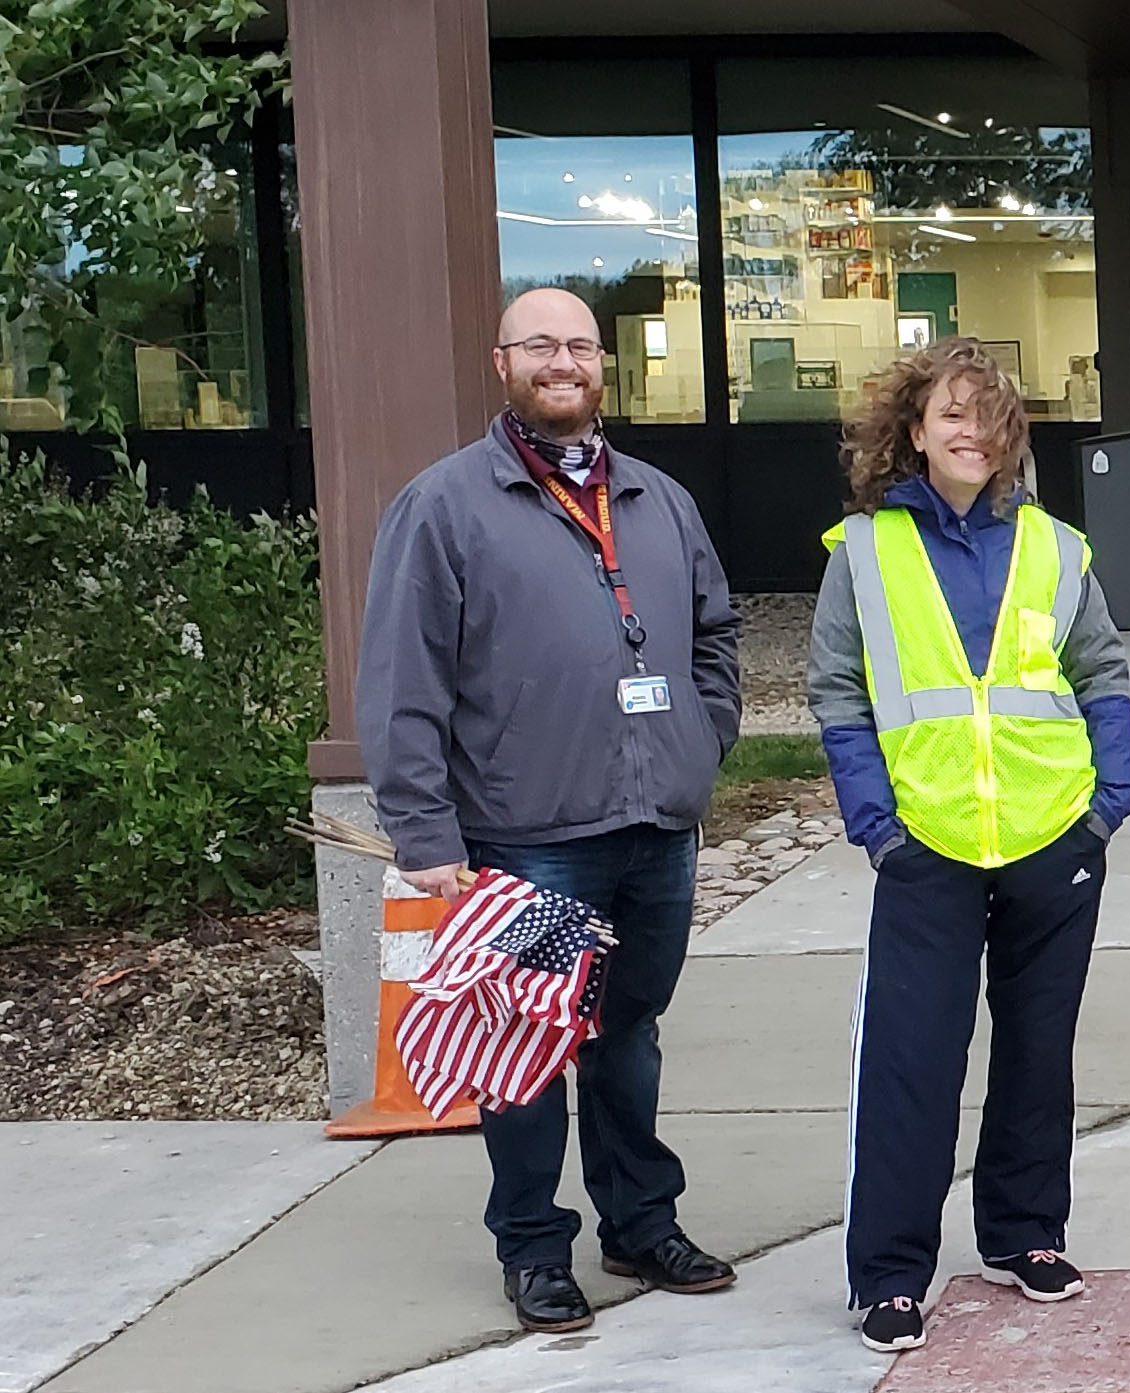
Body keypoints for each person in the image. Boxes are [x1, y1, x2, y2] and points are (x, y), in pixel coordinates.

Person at [359, 287, 744, 1333]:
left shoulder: (658, 499)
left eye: (578, 344)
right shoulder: (444, 505)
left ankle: (640, 1223)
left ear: (601, 367)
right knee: (524, 1045)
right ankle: (534, 1249)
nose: (561, 359)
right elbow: (403, 681)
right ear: (503, 363)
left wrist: (703, 742)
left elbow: (715, 634)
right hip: (528, 838)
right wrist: (426, 834)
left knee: (628, 1033)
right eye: (540, 344)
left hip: (654, 829)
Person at [809, 337, 1130, 1353]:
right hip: (929, 843)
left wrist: (1108, 802)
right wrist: (879, 825)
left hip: (1052, 835)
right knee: (912, 1062)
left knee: (1040, 1054)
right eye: (952, 413)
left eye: (990, 417)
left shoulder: (1055, 545)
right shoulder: (862, 551)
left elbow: (1101, 674)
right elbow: (837, 693)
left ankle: (1026, 1232)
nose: (972, 432)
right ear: (912, 430)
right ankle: (890, 1274)